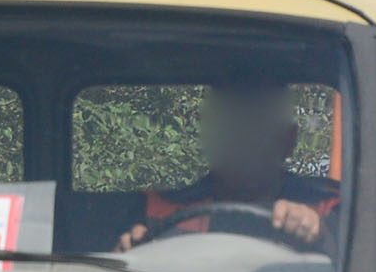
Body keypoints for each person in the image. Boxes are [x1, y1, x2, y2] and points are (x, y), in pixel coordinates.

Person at [116, 85, 338, 253]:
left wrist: (319, 237)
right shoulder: (156, 208)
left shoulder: (331, 209)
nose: (240, 141)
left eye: (255, 129)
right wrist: (128, 254)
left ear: (288, 140)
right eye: (229, 129)